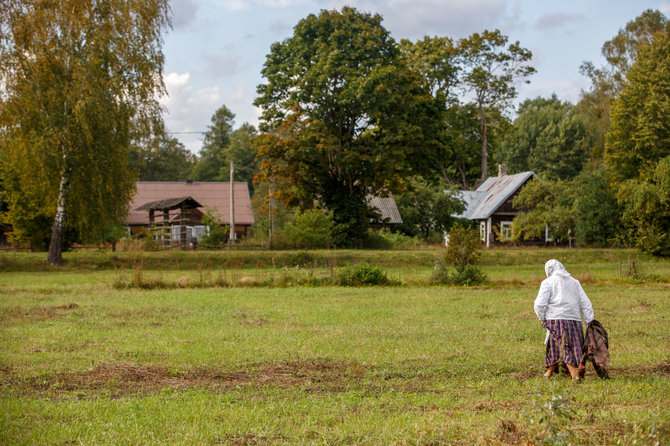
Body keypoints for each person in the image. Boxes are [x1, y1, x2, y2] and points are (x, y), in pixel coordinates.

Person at [534, 259, 594, 381]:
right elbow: (586, 303)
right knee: (555, 344)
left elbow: (539, 304)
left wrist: (542, 318)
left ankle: (575, 376)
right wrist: (589, 321)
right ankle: (549, 372)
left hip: (555, 320)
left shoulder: (547, 283)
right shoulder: (575, 282)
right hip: (574, 320)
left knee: (564, 346)